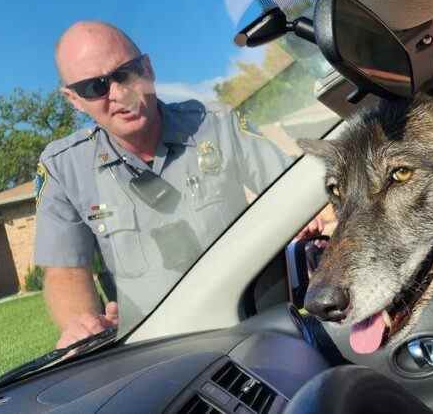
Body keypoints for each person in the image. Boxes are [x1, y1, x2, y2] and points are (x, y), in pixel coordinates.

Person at [34, 21, 318, 349]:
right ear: (73, 99)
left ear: (147, 68)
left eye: (124, 74)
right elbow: (65, 270)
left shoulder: (215, 123)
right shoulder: (64, 167)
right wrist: (82, 324)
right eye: (94, 87)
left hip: (253, 327)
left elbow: (296, 191)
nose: (117, 94)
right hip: (152, 347)